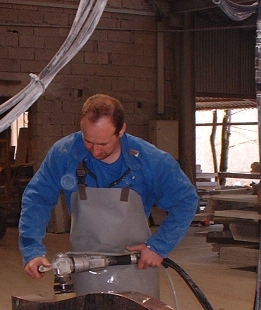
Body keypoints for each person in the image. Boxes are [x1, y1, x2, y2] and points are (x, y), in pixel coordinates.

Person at [18, 94, 199, 298]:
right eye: (88, 141)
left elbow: (186, 200)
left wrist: (159, 246)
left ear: (121, 130)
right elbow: (37, 199)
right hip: (83, 267)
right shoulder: (65, 153)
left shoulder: (150, 161)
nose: (95, 151)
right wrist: (32, 250)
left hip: (135, 266)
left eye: (103, 144)